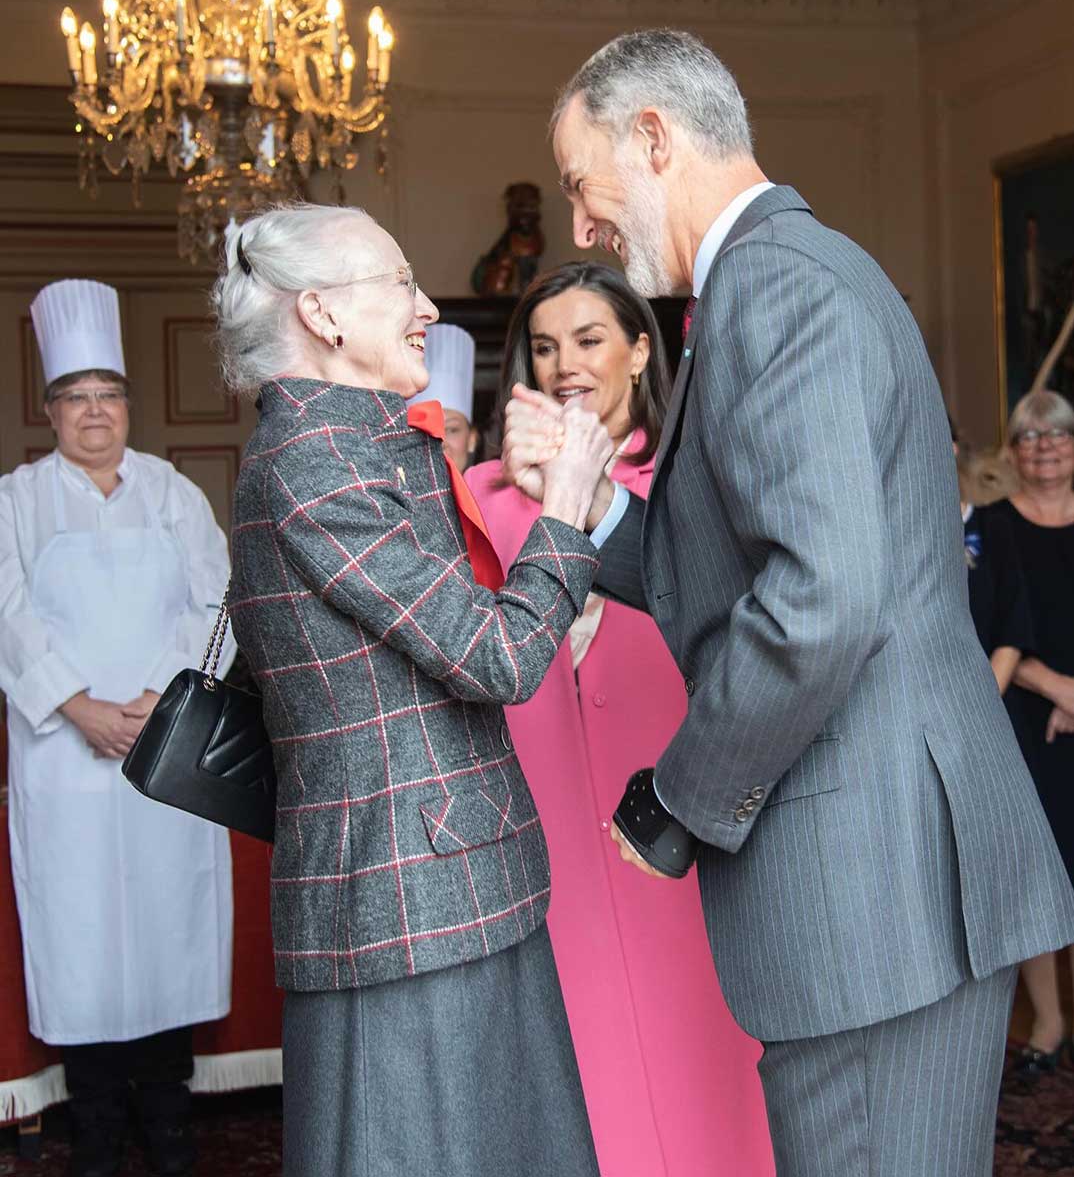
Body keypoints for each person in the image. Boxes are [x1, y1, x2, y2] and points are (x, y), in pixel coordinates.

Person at [501, 29, 1074, 1177]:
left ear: (654, 138)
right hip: (887, 882)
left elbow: (819, 600)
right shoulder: (785, 274)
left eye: (581, 183)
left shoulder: (772, 284)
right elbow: (747, 563)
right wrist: (585, 504)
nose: (580, 229)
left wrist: (679, 796)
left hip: (873, 889)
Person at [213, 203, 610, 1177]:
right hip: (405, 902)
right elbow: (503, 655)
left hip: (445, 878)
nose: (427, 304)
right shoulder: (317, 462)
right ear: (323, 313)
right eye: (400, 281)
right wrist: (566, 507)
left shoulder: (362, 444)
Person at [467, 261, 774, 1176]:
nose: (566, 364)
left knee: (711, 1063)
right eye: (547, 345)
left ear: (641, 349)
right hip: (548, 838)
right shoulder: (484, 496)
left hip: (681, 830)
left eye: (590, 339)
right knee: (583, 1080)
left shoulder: (697, 484)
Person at [0, 278, 235, 1177]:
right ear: (51, 410)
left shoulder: (173, 494)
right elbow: (9, 616)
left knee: (168, 926)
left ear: (127, 407)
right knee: (82, 937)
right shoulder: (17, 502)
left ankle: (169, 1121)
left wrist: (155, 699)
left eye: (108, 397)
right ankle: (95, 1125)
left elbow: (219, 604)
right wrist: (80, 706)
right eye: (76, 399)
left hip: (164, 750)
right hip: (65, 759)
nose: (94, 414)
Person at [985, 391, 1074, 1079]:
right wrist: (1058, 689)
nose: (1045, 445)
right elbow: (992, 630)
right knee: (1034, 872)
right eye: (1030, 435)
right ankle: (1047, 1018)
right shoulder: (992, 525)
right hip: (1022, 716)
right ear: (1012, 450)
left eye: (1058, 433)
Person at [951, 417, 1034, 694]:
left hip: (987, 702)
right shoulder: (895, 534)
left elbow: (1013, 626)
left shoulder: (992, 523)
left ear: (952, 448)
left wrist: (978, 707)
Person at [406, 322, 479, 471]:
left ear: (472, 439)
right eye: (426, 431)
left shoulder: (484, 494)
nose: (441, 442)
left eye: (452, 429)